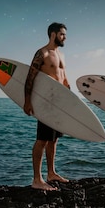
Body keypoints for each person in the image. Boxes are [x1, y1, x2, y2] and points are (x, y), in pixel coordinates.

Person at [24, 22, 70, 191]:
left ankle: (51, 173)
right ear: (53, 34)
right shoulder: (42, 53)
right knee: (42, 139)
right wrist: (27, 101)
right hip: (46, 102)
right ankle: (37, 179)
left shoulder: (62, 55)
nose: (65, 37)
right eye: (62, 34)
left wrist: (71, 99)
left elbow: (64, 79)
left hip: (59, 102)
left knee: (54, 139)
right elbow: (30, 77)